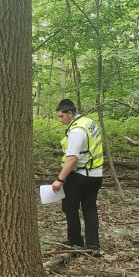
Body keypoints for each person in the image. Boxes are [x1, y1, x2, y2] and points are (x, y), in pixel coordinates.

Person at [52, 99, 104, 256]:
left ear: (70, 113)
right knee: (89, 208)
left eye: (61, 116)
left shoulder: (76, 131)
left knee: (69, 207)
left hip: (80, 175)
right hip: (96, 174)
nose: (60, 120)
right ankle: (93, 246)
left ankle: (75, 242)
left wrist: (60, 180)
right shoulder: (88, 122)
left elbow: (72, 159)